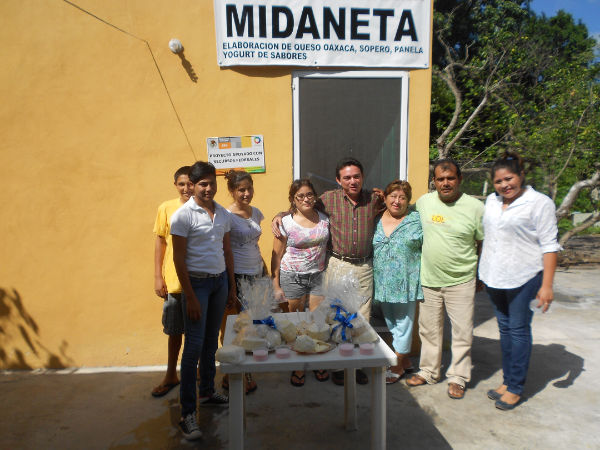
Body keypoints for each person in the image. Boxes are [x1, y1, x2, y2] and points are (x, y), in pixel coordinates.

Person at [273, 157, 384, 386]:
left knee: (359, 318)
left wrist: (386, 195)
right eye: (347, 177)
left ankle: (355, 365)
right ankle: (328, 366)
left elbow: (395, 204)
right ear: (338, 180)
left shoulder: (373, 199)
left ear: (362, 177)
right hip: (333, 265)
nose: (352, 181)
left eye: (356, 176)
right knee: (328, 316)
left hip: (360, 266)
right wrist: (280, 215)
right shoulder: (328, 200)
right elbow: (301, 205)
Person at [479, 152, 560, 410]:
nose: (505, 185)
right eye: (499, 181)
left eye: (509, 179)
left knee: (518, 330)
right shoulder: (492, 201)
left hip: (524, 277)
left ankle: (515, 387)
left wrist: (547, 286)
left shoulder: (539, 203)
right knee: (505, 329)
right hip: (494, 276)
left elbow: (550, 245)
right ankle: (507, 380)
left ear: (521, 176)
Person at [406, 159, 484, 400]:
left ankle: (458, 377)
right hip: (429, 279)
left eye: (450, 178)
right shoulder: (424, 203)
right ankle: (429, 371)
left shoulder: (475, 207)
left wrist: (480, 273)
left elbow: (483, 242)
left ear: (459, 179)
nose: (445, 183)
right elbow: (399, 213)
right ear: (434, 181)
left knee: (462, 332)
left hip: (462, 280)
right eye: (440, 179)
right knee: (429, 330)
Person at [171, 161, 236, 441]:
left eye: (212, 183)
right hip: (196, 285)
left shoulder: (223, 214)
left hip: (219, 283)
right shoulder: (182, 216)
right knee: (193, 348)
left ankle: (207, 392)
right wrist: (190, 297)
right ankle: (187, 414)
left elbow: (227, 251)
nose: (208, 188)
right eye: (202, 184)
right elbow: (178, 258)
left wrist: (231, 286)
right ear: (193, 185)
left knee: (211, 342)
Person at [272, 179, 330, 387]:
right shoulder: (285, 223)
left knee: (316, 322)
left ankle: (316, 360)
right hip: (292, 276)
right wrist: (275, 284)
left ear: (315, 196)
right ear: (293, 199)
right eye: (300, 196)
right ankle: (298, 365)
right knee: (296, 324)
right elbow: (276, 255)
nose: (306, 199)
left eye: (309, 194)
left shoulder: (324, 219)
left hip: (317, 276)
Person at [372, 180, 423, 384]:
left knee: (403, 325)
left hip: (405, 282)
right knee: (392, 323)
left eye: (402, 197)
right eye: (393, 196)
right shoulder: (376, 217)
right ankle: (405, 360)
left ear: (408, 201)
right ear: (385, 198)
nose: (397, 201)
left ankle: (397, 366)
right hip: (382, 282)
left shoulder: (416, 219)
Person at [220, 169, 265, 394]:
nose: (246, 193)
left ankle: (245, 372)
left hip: (256, 274)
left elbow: (255, 244)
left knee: (251, 326)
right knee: (235, 327)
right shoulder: (226, 216)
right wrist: (231, 284)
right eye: (241, 190)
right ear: (231, 191)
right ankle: (233, 373)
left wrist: (264, 271)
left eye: (249, 188)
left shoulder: (256, 212)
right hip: (237, 275)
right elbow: (226, 250)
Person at [151, 165, 192, 398]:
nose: (186, 188)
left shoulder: (205, 208)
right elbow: (160, 243)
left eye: (190, 183)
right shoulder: (166, 208)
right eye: (181, 184)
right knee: (175, 331)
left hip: (198, 281)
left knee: (197, 332)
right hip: (174, 282)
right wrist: (158, 276)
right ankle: (170, 374)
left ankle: (196, 372)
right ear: (175, 185)